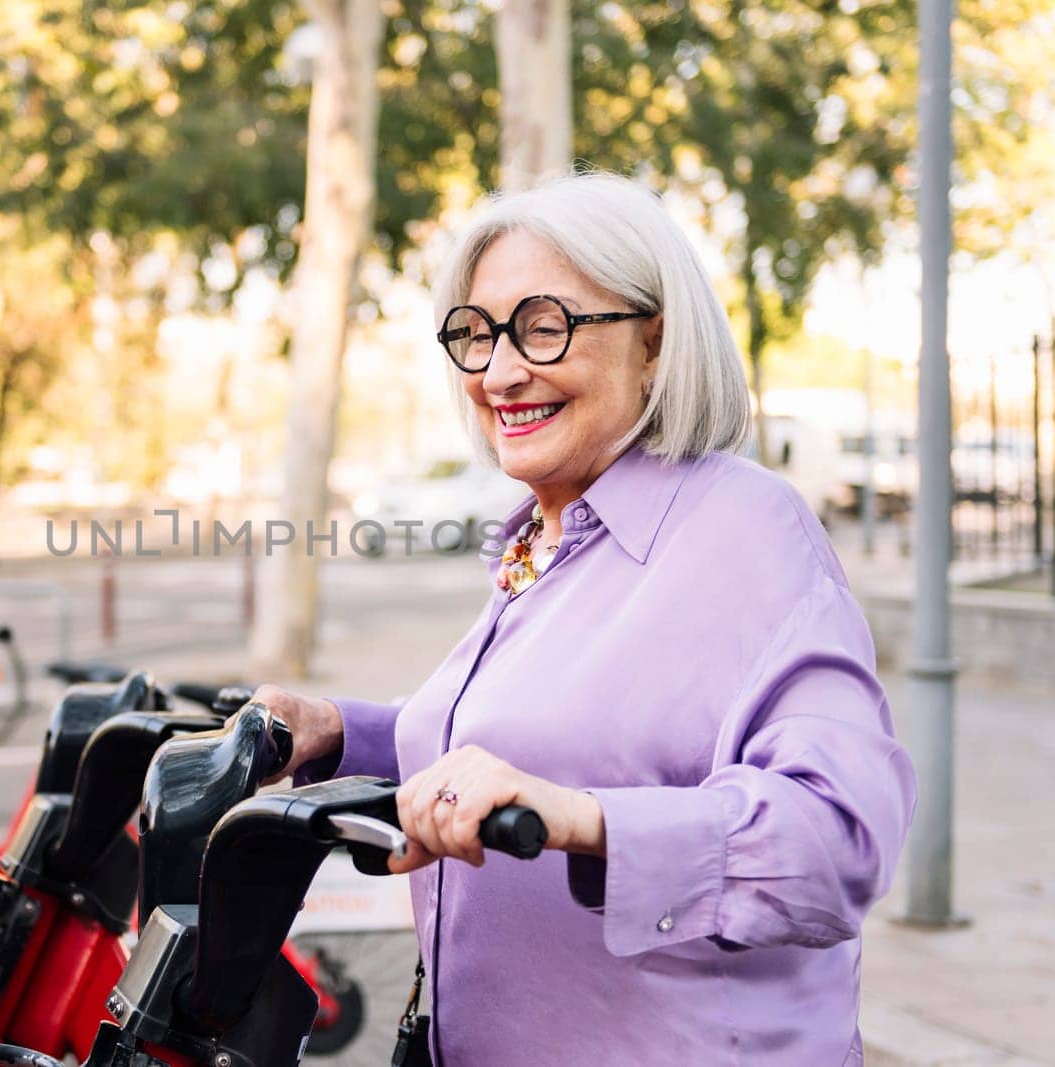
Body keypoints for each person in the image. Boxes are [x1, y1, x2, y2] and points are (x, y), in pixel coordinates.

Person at [256, 172, 916, 1065]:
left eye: (542, 326)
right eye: (477, 334)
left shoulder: (746, 528)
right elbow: (526, 753)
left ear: (654, 339)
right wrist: (336, 732)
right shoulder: (543, 537)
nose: (498, 372)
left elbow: (840, 842)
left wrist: (584, 819)